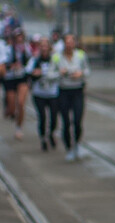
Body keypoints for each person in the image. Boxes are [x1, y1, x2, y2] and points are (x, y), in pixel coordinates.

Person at [53, 33, 88, 161]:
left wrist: (81, 74)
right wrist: (59, 73)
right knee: (66, 122)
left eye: (71, 42)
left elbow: (87, 71)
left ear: (74, 43)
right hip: (63, 91)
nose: (69, 44)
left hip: (77, 91)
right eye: (67, 42)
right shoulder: (57, 57)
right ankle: (68, 147)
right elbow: (50, 74)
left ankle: (77, 143)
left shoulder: (80, 55)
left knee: (77, 120)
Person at [26, 38, 60, 151]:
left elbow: (60, 71)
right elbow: (27, 71)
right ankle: (43, 138)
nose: (44, 48)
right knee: (42, 117)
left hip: (53, 93)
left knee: (54, 117)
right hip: (39, 94)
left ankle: (51, 133)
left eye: (46, 46)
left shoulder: (55, 59)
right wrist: (33, 73)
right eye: (42, 46)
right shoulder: (35, 59)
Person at [3, 29, 32, 139]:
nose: (19, 39)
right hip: (10, 78)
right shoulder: (8, 49)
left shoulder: (26, 48)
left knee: (20, 103)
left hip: (22, 77)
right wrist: (11, 66)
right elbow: (4, 63)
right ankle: (10, 111)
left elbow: (31, 61)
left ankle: (19, 128)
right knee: (11, 106)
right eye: (17, 37)